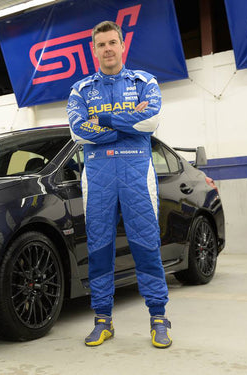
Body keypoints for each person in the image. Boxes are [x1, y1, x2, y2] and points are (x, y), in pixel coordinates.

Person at [66, 21, 171, 348]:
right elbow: (77, 131)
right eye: (101, 45)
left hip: (136, 172)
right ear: (94, 50)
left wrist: (105, 120)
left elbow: (150, 122)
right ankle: (102, 320)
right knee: (98, 248)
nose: (108, 49)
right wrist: (127, 125)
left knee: (146, 244)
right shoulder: (81, 90)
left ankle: (158, 318)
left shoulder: (145, 82)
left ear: (123, 46)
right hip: (98, 176)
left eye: (113, 42)